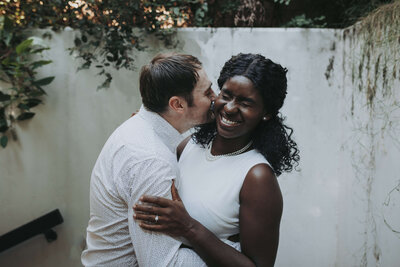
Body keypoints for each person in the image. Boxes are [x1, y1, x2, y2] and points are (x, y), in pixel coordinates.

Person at [133, 53, 300, 266]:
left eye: (245, 102)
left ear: (266, 113)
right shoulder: (190, 146)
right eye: (227, 95)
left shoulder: (256, 176)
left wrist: (189, 228)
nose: (229, 108)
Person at [81, 53, 218, 266]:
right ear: (178, 105)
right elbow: (163, 264)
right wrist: (234, 250)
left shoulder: (139, 129)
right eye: (208, 92)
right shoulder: (152, 161)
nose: (216, 98)